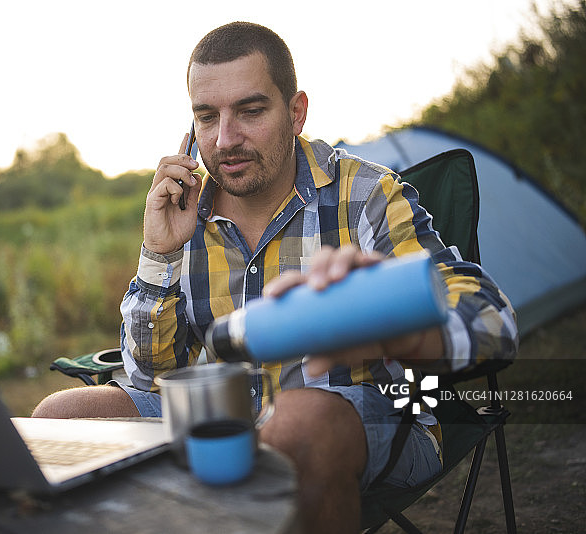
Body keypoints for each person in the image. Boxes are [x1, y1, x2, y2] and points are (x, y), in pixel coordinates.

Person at [33, 21, 519, 533]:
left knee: (300, 422)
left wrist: (405, 324)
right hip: (225, 414)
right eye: (206, 117)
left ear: (296, 112)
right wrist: (159, 255)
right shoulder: (184, 209)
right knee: (57, 419)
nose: (225, 139)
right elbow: (150, 378)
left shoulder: (366, 197)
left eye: (250, 111)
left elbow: (493, 320)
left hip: (363, 417)